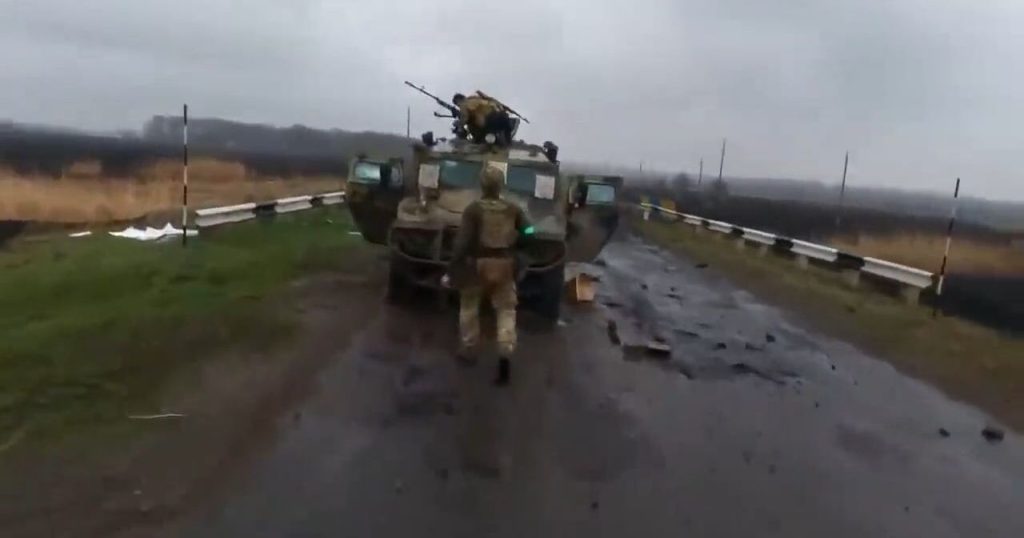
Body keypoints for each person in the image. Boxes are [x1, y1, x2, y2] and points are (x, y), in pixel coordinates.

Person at [448, 165, 531, 386]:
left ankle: (468, 349)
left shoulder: (473, 210)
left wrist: (453, 266)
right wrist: (522, 239)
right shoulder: (513, 209)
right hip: (505, 265)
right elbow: (530, 231)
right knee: (505, 310)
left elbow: (462, 242)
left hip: (477, 265)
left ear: (482, 185)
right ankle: (505, 353)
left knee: (469, 307)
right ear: (501, 185)